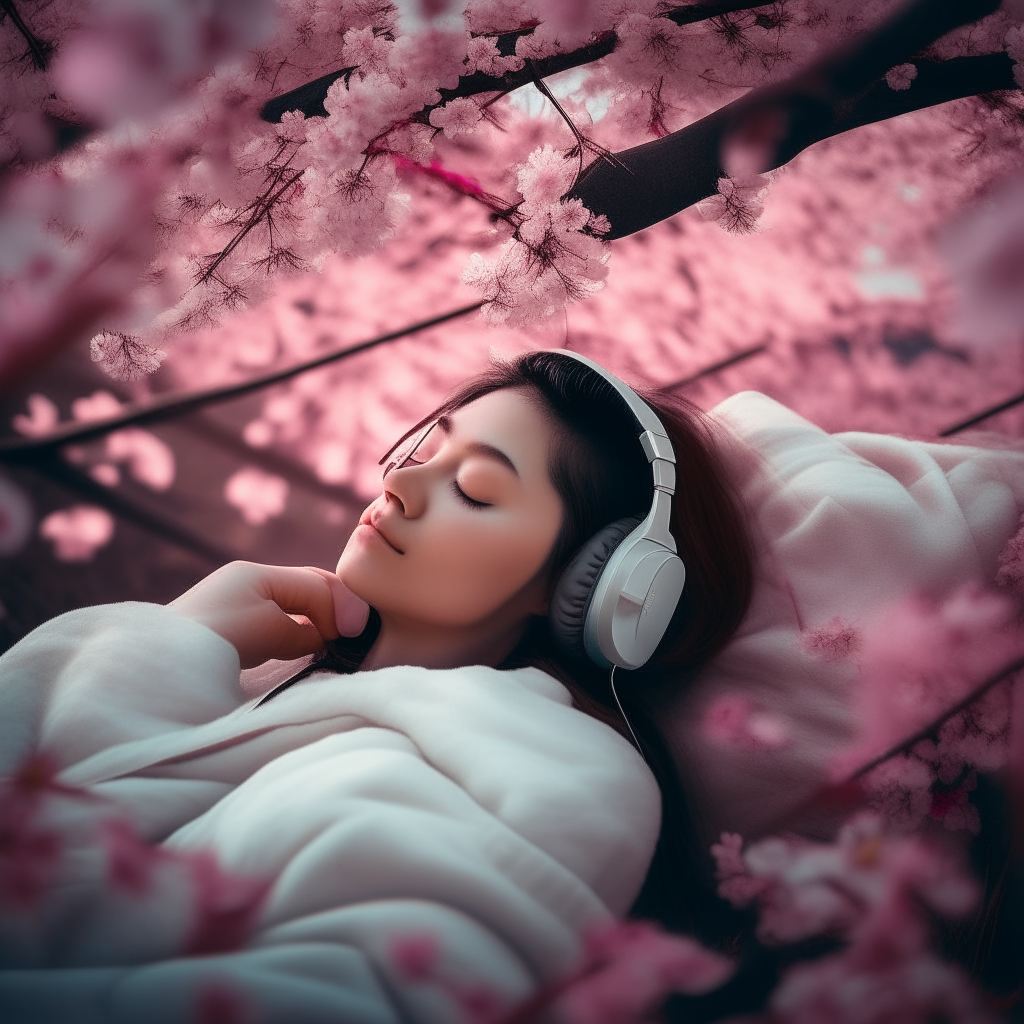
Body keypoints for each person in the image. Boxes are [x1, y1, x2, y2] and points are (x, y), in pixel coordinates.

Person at [0, 350, 753, 1023]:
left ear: (591, 585)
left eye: (475, 488)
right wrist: (174, 638)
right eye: (426, 450)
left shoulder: (555, 769)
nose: (401, 482)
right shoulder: (244, 677)